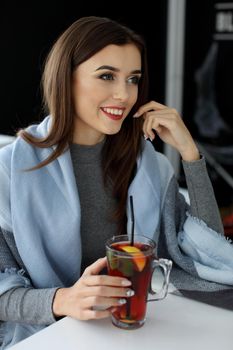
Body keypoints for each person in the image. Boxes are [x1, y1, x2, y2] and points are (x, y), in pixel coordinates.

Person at [0, 16, 233, 349]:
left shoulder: (148, 165)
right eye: (107, 76)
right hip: (48, 335)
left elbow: (210, 254)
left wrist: (190, 154)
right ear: (66, 78)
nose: (124, 94)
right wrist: (62, 300)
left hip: (134, 331)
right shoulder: (11, 171)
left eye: (133, 79)